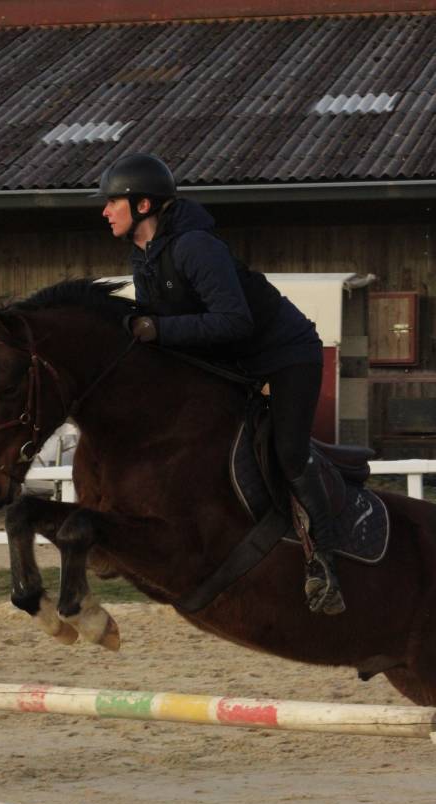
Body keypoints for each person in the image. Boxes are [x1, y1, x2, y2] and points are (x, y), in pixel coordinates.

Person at [96, 152, 345, 616]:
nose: (105, 211)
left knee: (289, 453)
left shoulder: (194, 247)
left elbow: (232, 322)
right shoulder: (143, 257)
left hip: (286, 357)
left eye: (113, 202)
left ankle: (324, 561)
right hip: (236, 365)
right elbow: (161, 331)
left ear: (144, 205)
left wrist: (159, 330)